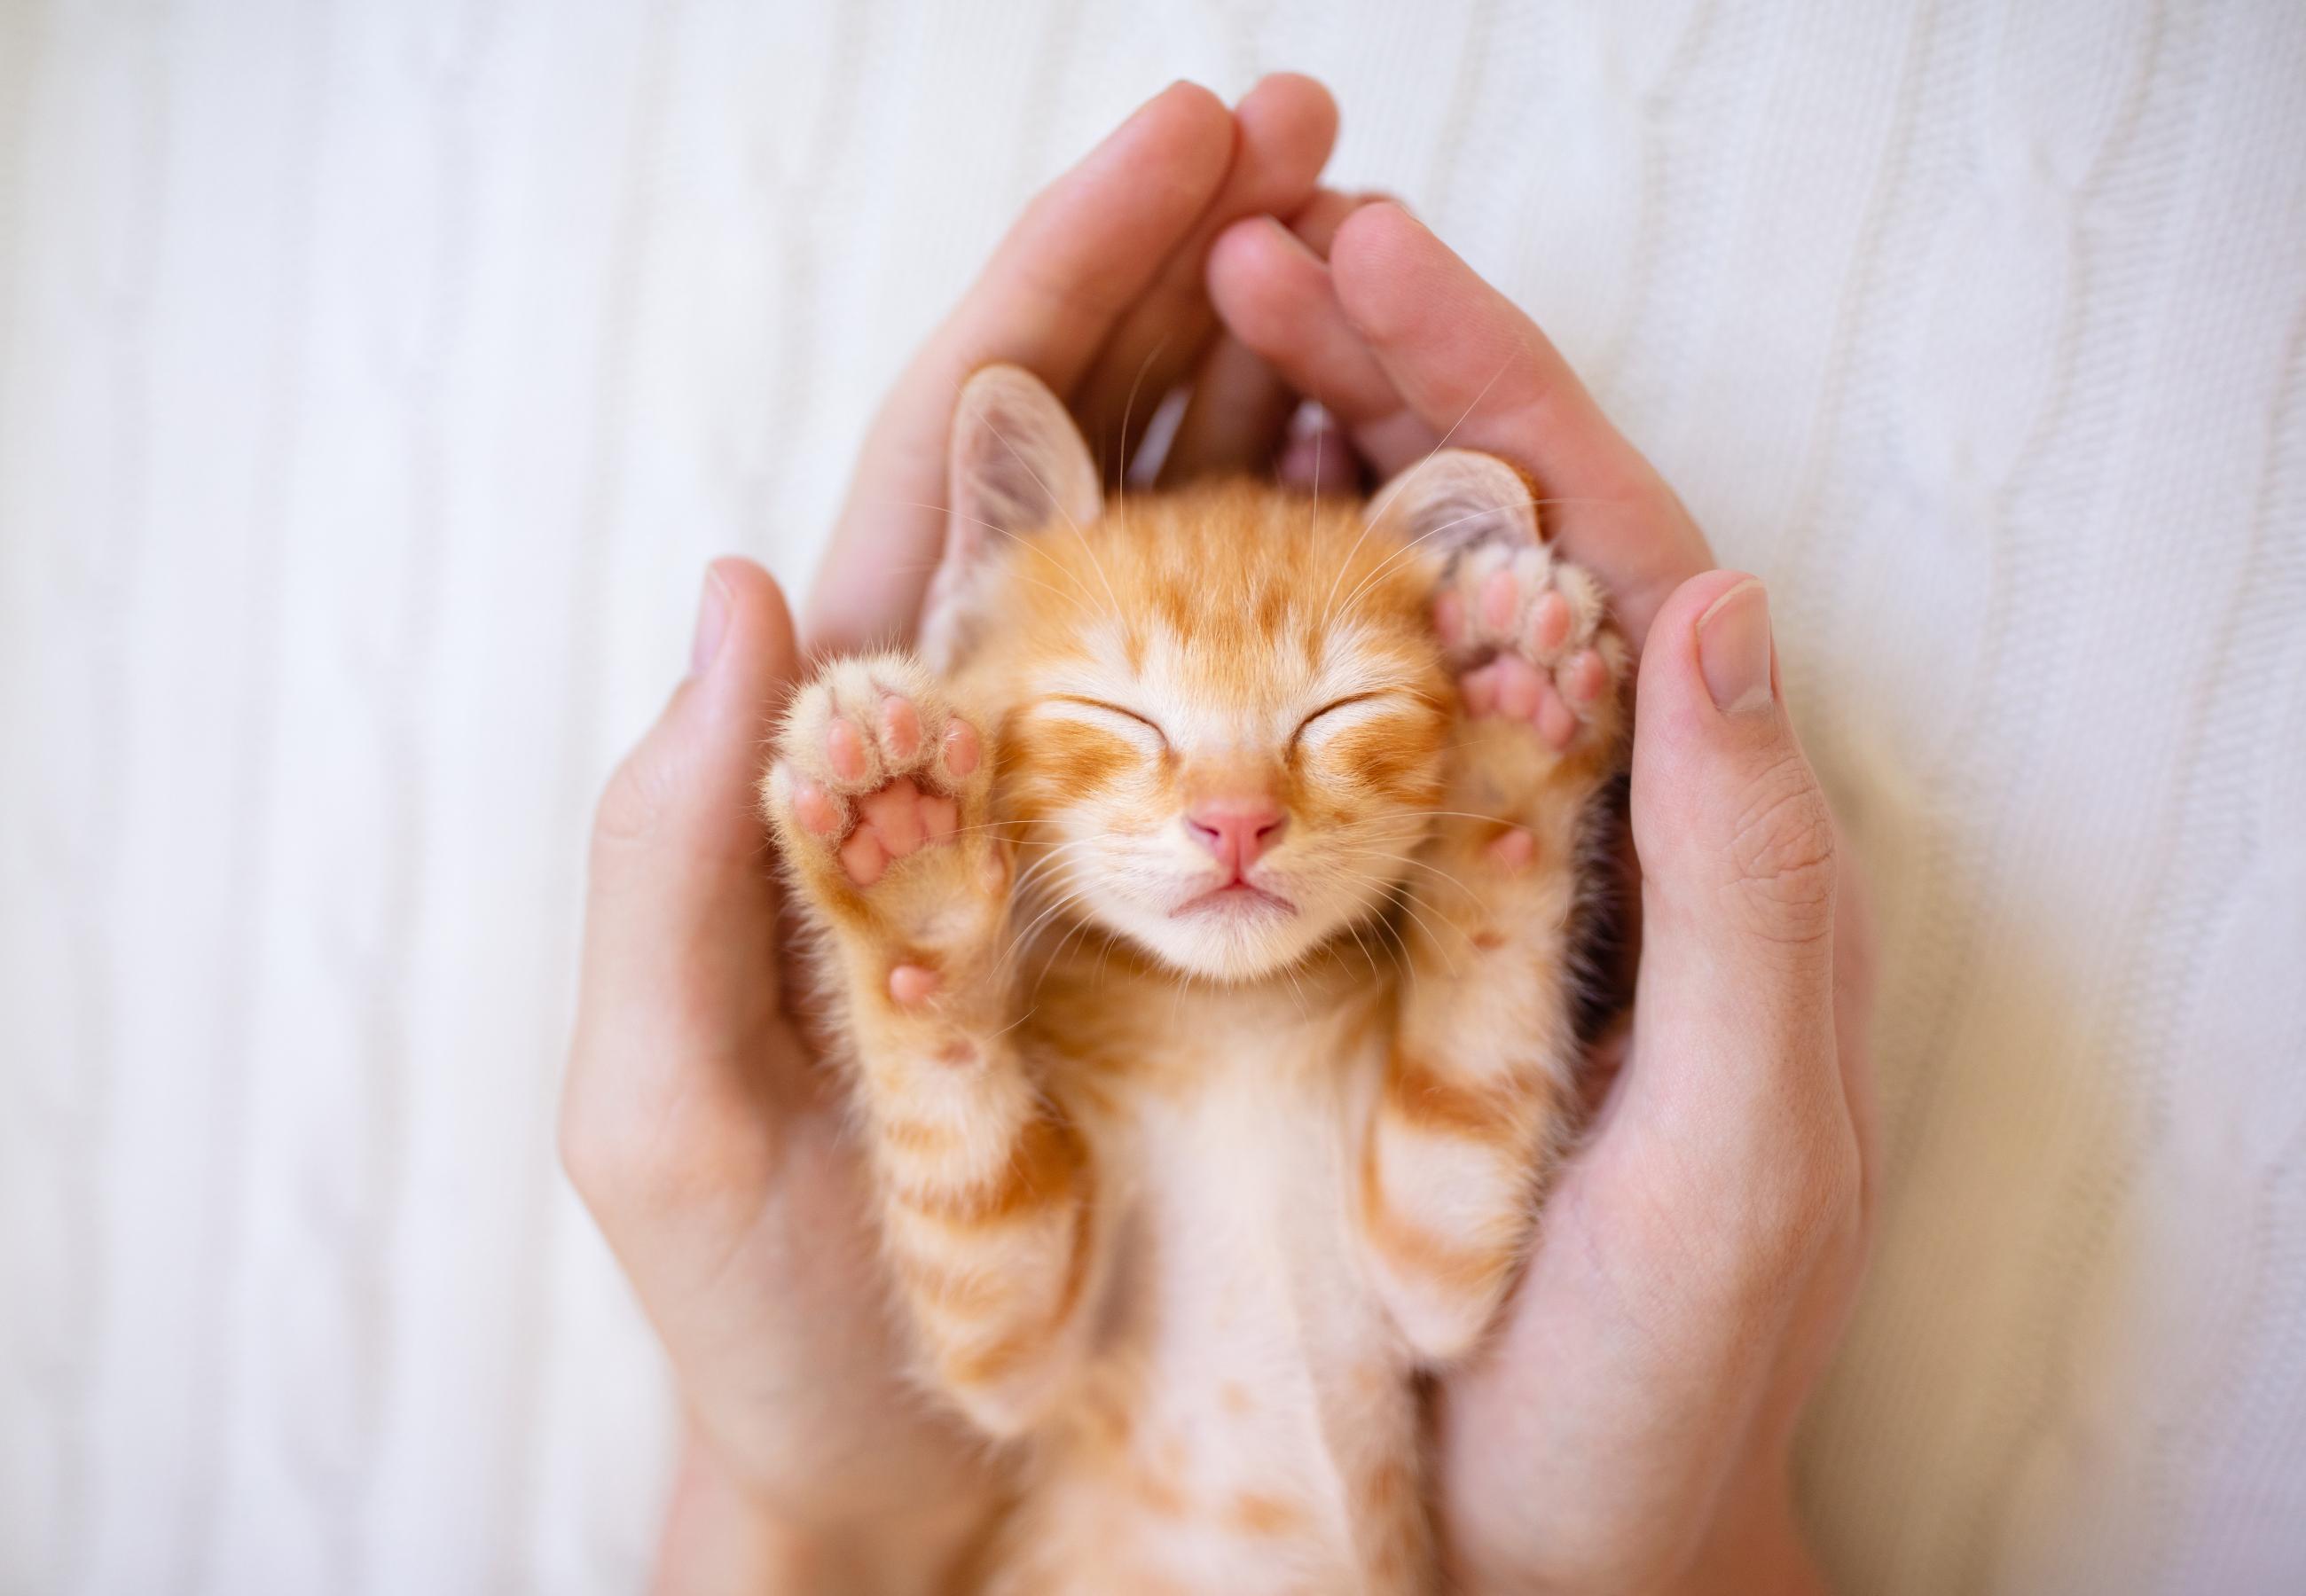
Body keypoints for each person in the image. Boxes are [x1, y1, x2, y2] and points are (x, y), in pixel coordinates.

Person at [561, 75, 1877, 1595]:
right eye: (1122, 731)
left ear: (1447, 709)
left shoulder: (1340, 999)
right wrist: (945, 1023)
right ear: (971, 640)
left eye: (1339, 726)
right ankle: (935, 979)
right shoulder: (1078, 1002)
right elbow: (999, 1357)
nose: (1236, 814)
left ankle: (1484, 860)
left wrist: (1489, 898)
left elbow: (1439, 1286)